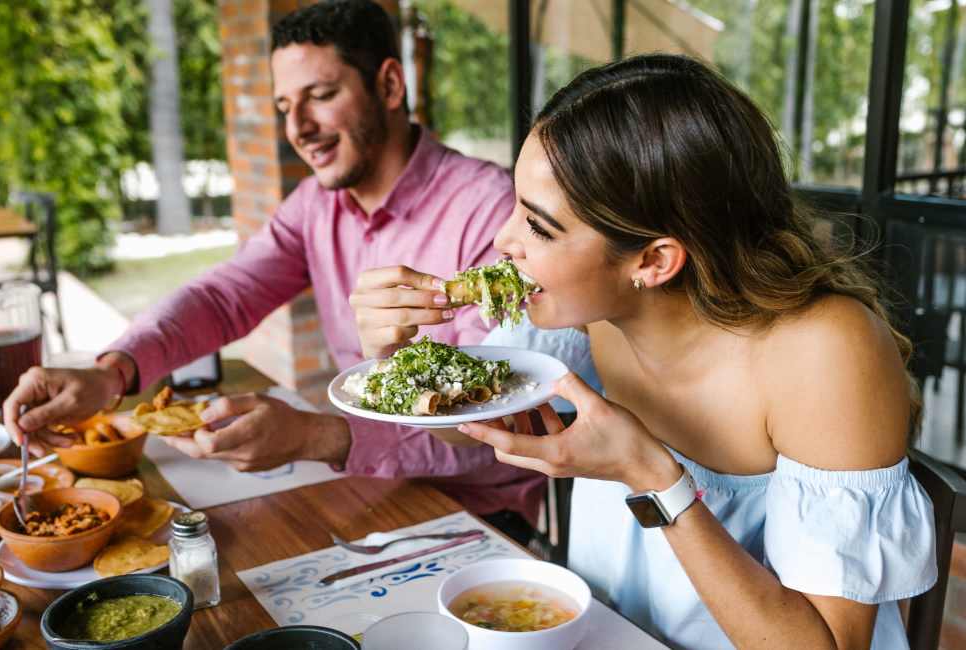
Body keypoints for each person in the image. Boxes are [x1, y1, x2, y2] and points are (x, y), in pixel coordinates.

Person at [352, 54, 937, 648]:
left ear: (654, 260)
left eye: (539, 227)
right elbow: (476, 424)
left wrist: (652, 475)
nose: (503, 244)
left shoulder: (825, 351)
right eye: (516, 207)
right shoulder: (587, 315)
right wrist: (397, 361)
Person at [1, 0, 544, 539]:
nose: (298, 128)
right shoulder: (315, 205)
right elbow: (225, 296)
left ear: (390, 85)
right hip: (364, 489)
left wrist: (318, 437)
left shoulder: (489, 211)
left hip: (480, 518)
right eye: (285, 106)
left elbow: (499, 433)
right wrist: (112, 372)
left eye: (322, 96)